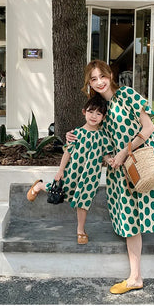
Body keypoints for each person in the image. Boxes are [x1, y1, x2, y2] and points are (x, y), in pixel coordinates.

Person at [66, 60, 154, 304]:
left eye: (102, 76)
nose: (99, 82)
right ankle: (135, 278)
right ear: (88, 83)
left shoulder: (127, 95)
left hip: (145, 164)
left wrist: (124, 151)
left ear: (110, 75)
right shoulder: (101, 108)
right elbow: (96, 138)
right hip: (121, 172)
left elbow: (149, 126)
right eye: (93, 79)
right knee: (130, 223)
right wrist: (73, 136)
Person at [26, 94, 114, 245]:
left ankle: (80, 230)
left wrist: (109, 160)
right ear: (84, 112)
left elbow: (105, 154)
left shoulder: (103, 137)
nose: (94, 116)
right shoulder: (76, 134)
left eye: (99, 113)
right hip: (73, 172)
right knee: (62, 189)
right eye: (91, 111)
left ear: (103, 117)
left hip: (91, 176)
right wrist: (60, 170)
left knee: (83, 201)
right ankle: (40, 185)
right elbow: (67, 152)